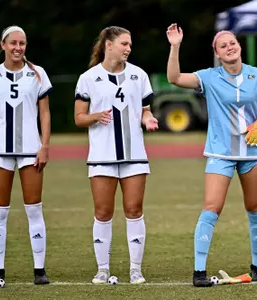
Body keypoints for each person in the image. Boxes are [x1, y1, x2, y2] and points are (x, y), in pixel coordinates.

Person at [166, 23, 257, 287]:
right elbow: (174, 78)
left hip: (252, 153)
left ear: (239, 47)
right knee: (211, 208)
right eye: (223, 45)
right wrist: (175, 46)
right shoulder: (209, 77)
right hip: (220, 153)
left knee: (255, 208)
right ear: (217, 53)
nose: (230, 48)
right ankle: (199, 272)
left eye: (233, 43)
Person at [74, 26, 159, 285]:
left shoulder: (139, 75)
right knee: (103, 212)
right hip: (102, 155)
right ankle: (102, 269)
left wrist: (149, 118)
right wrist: (95, 117)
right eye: (124, 43)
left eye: (130, 44)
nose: (128, 48)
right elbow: (79, 118)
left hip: (134, 154)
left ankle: (135, 269)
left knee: (134, 210)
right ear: (108, 45)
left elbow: (144, 109)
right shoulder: (88, 78)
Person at [0, 26, 52, 285]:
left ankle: (39, 271)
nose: (18, 48)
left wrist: (44, 145)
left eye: (22, 43)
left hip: (30, 151)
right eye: (13, 43)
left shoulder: (38, 74)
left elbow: (45, 113)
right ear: (2, 45)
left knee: (34, 210)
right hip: (0, 151)